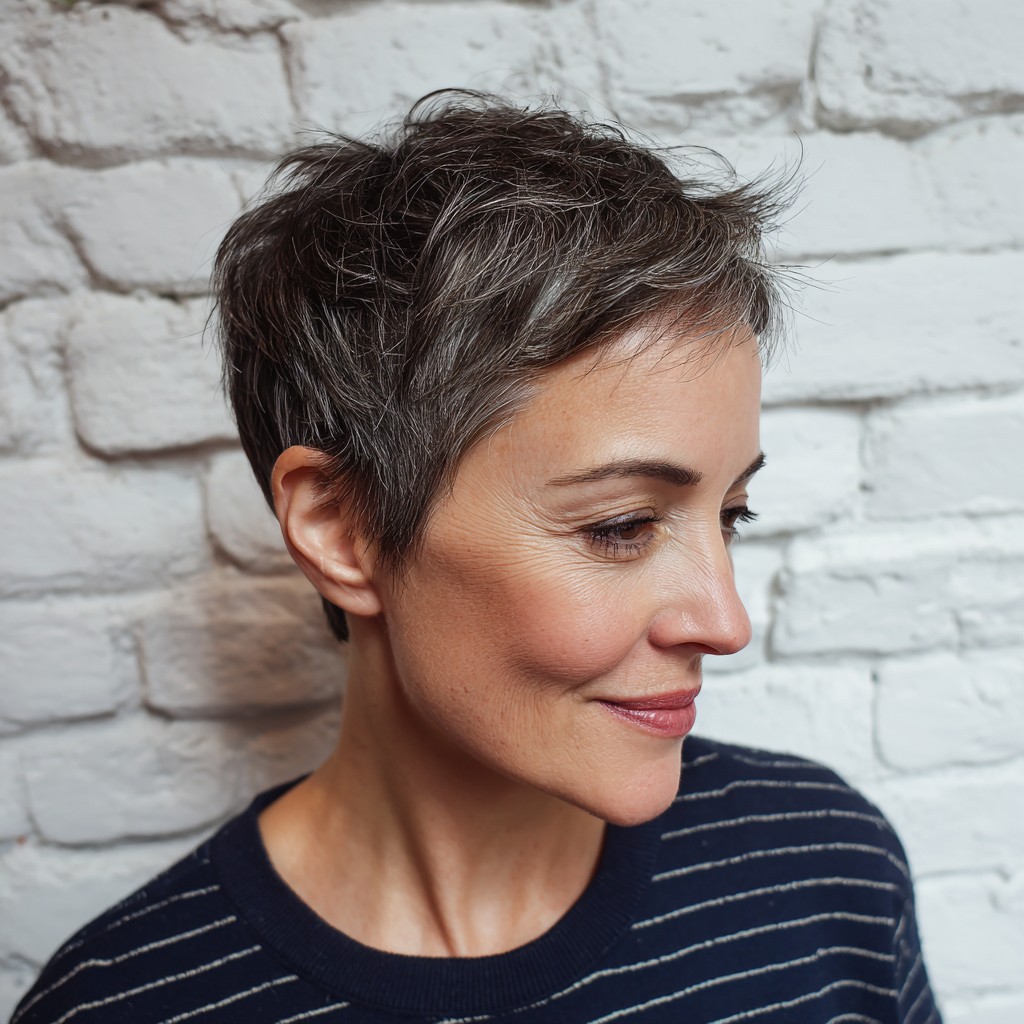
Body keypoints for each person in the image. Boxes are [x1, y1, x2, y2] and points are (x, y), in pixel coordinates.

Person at [11, 91, 941, 1024]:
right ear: (342, 528)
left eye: (731, 514)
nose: (727, 622)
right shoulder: (120, 1003)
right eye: (621, 526)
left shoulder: (825, 873)